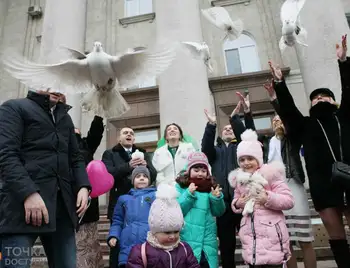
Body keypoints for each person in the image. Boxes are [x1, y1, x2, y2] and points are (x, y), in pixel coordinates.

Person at [268, 34, 350, 267]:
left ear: (333, 102)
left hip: (349, 178)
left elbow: (349, 91)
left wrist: (343, 63)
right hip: (323, 184)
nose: (319, 99)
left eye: (325, 96)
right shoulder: (305, 124)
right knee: (336, 236)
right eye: (315, 97)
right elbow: (289, 112)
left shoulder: (343, 116)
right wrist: (280, 84)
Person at [0, 90, 90, 268]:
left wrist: (83, 186)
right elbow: (6, 155)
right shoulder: (14, 108)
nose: (56, 88)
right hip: (20, 209)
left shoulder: (65, 118)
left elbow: (76, 158)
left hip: (61, 209)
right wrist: (28, 193)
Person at [262, 82, 316, 268]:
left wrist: (275, 100)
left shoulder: (292, 138)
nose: (277, 121)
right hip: (276, 190)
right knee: (286, 241)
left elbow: (288, 117)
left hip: (293, 185)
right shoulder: (268, 144)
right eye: (274, 120)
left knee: (304, 239)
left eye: (280, 119)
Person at [201, 93, 254, 268]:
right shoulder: (215, 151)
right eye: (225, 129)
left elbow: (248, 136)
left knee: (250, 241)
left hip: (243, 201)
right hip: (222, 204)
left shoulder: (241, 148)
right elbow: (205, 147)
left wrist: (236, 119)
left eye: (230, 129)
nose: (228, 130)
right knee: (226, 245)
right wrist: (211, 125)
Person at [229, 129, 295, 267]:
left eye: (250, 158)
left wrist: (268, 198)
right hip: (250, 241)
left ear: (258, 159)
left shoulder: (270, 175)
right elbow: (235, 201)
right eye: (242, 160)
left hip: (272, 238)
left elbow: (288, 200)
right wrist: (238, 203)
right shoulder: (240, 180)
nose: (246, 163)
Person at [102, 127, 156, 268]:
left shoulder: (142, 153)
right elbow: (107, 174)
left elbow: (152, 175)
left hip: (143, 205)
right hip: (121, 202)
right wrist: (128, 166)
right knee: (118, 244)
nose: (129, 135)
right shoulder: (110, 153)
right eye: (125, 133)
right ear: (119, 138)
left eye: (132, 133)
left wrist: (147, 168)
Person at [127, 183, 200, 268]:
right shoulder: (141, 252)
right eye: (167, 232)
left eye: (176, 231)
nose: (172, 236)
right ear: (155, 231)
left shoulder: (185, 249)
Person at [175, 152, 226, 268]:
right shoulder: (181, 186)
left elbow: (219, 212)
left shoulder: (211, 187)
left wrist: (216, 198)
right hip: (188, 236)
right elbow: (178, 210)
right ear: (189, 170)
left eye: (203, 171)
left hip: (207, 238)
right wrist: (188, 194)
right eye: (196, 170)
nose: (200, 174)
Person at [108, 166, 156, 268]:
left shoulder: (155, 196)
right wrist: (113, 235)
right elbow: (117, 220)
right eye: (138, 176)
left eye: (145, 176)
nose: (142, 178)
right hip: (128, 245)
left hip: (150, 243)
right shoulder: (123, 199)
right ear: (133, 181)